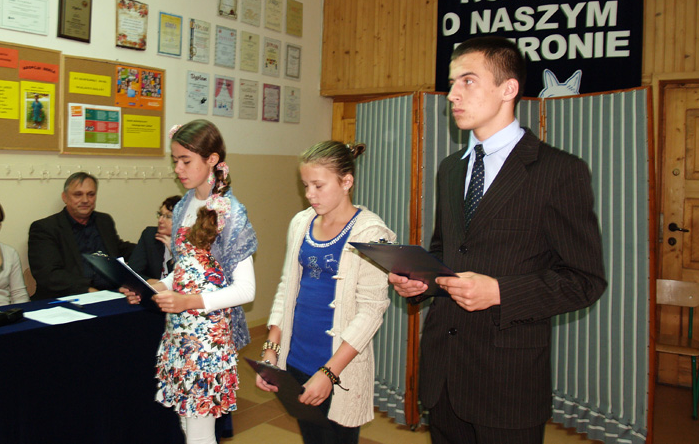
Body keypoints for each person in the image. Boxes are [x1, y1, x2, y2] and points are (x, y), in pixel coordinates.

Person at [389, 36, 607, 444]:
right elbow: (445, 252)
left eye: (468, 81)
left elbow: (585, 280)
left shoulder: (559, 171)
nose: (452, 95)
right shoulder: (451, 169)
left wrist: (500, 292)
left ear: (509, 89)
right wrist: (421, 281)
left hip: (507, 382)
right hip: (443, 374)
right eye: (452, 83)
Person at [122, 119, 257, 444]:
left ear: (212, 159)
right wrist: (156, 286)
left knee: (199, 432)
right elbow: (186, 269)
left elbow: (246, 290)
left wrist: (188, 301)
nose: (178, 169)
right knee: (186, 424)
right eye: (175, 161)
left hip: (209, 337)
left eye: (186, 160)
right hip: (179, 331)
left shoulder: (231, 213)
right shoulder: (184, 204)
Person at [255, 140, 395, 444]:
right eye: (305, 185)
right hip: (297, 360)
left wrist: (329, 374)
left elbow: (371, 311)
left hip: (339, 368)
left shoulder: (371, 233)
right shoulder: (301, 222)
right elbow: (287, 287)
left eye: (318, 185)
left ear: (346, 182)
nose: (309, 194)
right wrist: (272, 349)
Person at [28, 172, 135, 300]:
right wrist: (88, 290)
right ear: (65, 197)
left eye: (91, 194)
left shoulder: (104, 221)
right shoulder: (45, 228)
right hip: (68, 298)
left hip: (111, 294)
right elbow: (49, 275)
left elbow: (118, 248)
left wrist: (151, 245)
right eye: (78, 194)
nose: (85, 200)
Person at [130, 195, 182, 283]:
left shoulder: (191, 243)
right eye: (160, 214)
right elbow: (132, 272)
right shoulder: (150, 235)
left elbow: (184, 281)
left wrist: (175, 253)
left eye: (168, 216)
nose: (160, 220)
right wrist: (157, 284)